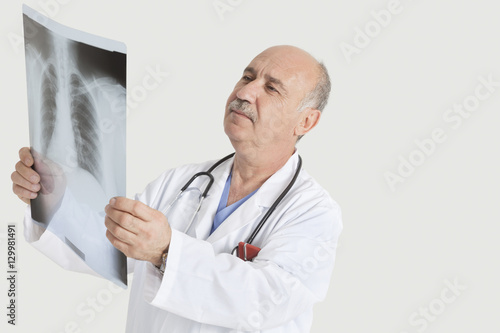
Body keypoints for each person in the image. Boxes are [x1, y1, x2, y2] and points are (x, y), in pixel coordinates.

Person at [12, 45, 343, 332]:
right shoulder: (182, 182)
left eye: (271, 89)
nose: (244, 92)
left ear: (306, 122)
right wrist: (54, 201)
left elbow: (266, 300)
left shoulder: (314, 213)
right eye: (246, 77)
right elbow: (110, 247)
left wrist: (166, 251)